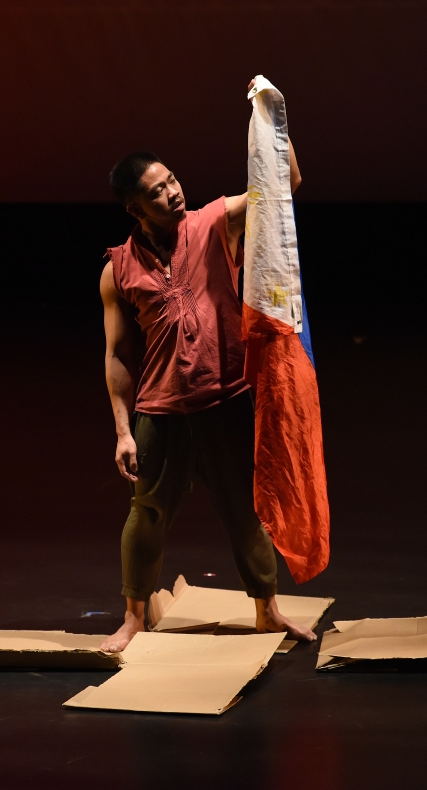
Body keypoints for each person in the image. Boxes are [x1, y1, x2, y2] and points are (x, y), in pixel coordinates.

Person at [99, 80, 315, 653]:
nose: (172, 193)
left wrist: (271, 116)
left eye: (171, 181)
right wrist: (123, 430)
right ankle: (134, 619)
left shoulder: (216, 220)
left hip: (225, 399)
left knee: (248, 513)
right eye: (156, 191)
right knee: (145, 514)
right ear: (134, 208)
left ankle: (267, 611)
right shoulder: (117, 269)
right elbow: (118, 355)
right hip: (161, 411)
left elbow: (284, 186)